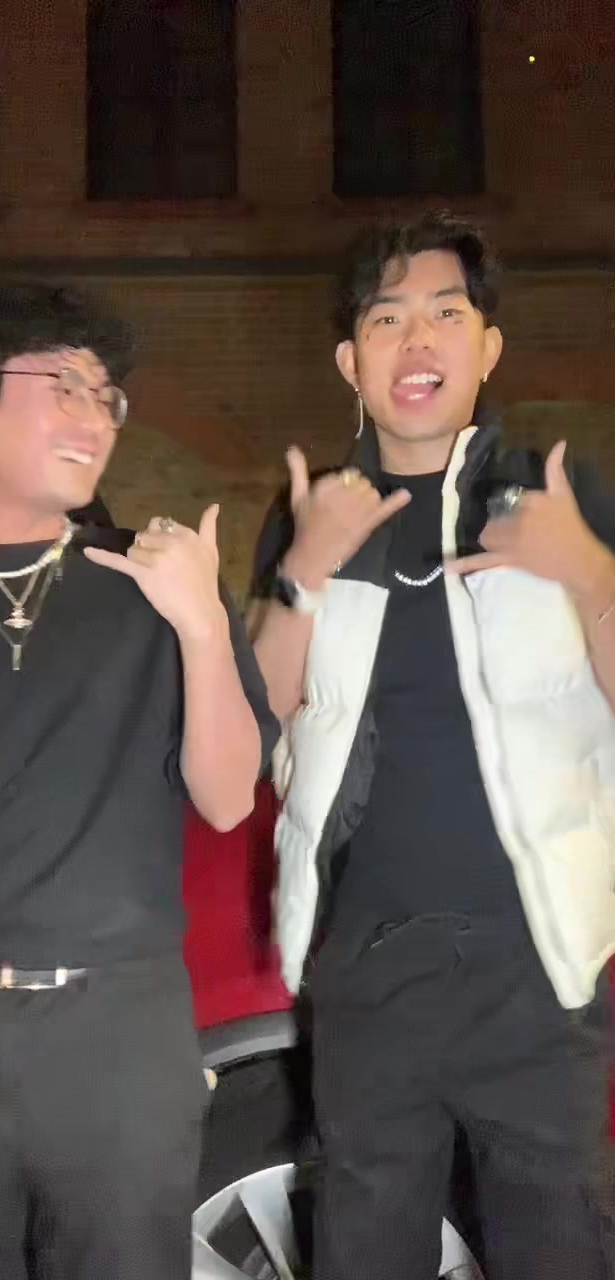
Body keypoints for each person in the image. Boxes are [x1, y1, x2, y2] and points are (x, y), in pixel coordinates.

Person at [248, 211, 615, 1280]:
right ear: (349, 361)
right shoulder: (315, 510)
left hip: (539, 964)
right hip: (367, 966)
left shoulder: (561, 494)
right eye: (387, 319)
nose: (417, 341)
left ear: (488, 346)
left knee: (560, 1246)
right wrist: (302, 571)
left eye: (447, 315)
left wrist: (591, 572)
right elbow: (257, 718)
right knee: (365, 1248)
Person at [0, 282, 279, 1280]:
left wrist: (201, 624)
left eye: (107, 396)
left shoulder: (151, 580)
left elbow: (228, 796)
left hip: (118, 1030)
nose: (94, 417)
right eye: (62, 385)